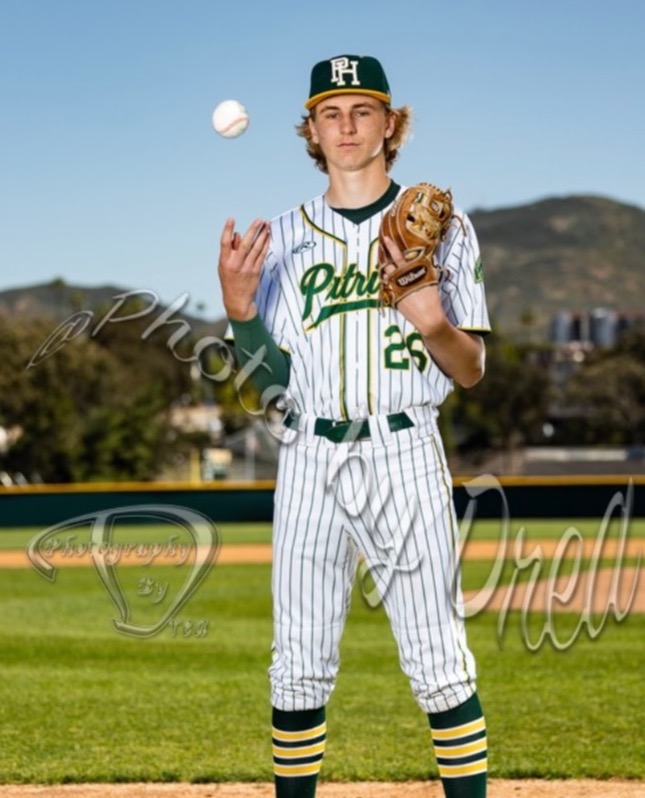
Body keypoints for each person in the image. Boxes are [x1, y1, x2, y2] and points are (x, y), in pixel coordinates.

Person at [218, 54, 491, 798]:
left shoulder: (446, 230)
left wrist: (433, 321)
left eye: (362, 110)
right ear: (310, 129)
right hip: (309, 453)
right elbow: (270, 390)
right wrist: (241, 313)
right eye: (330, 113)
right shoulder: (280, 237)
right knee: (297, 663)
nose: (345, 126)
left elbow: (470, 370)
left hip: (405, 448)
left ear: (390, 125)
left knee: (439, 662)